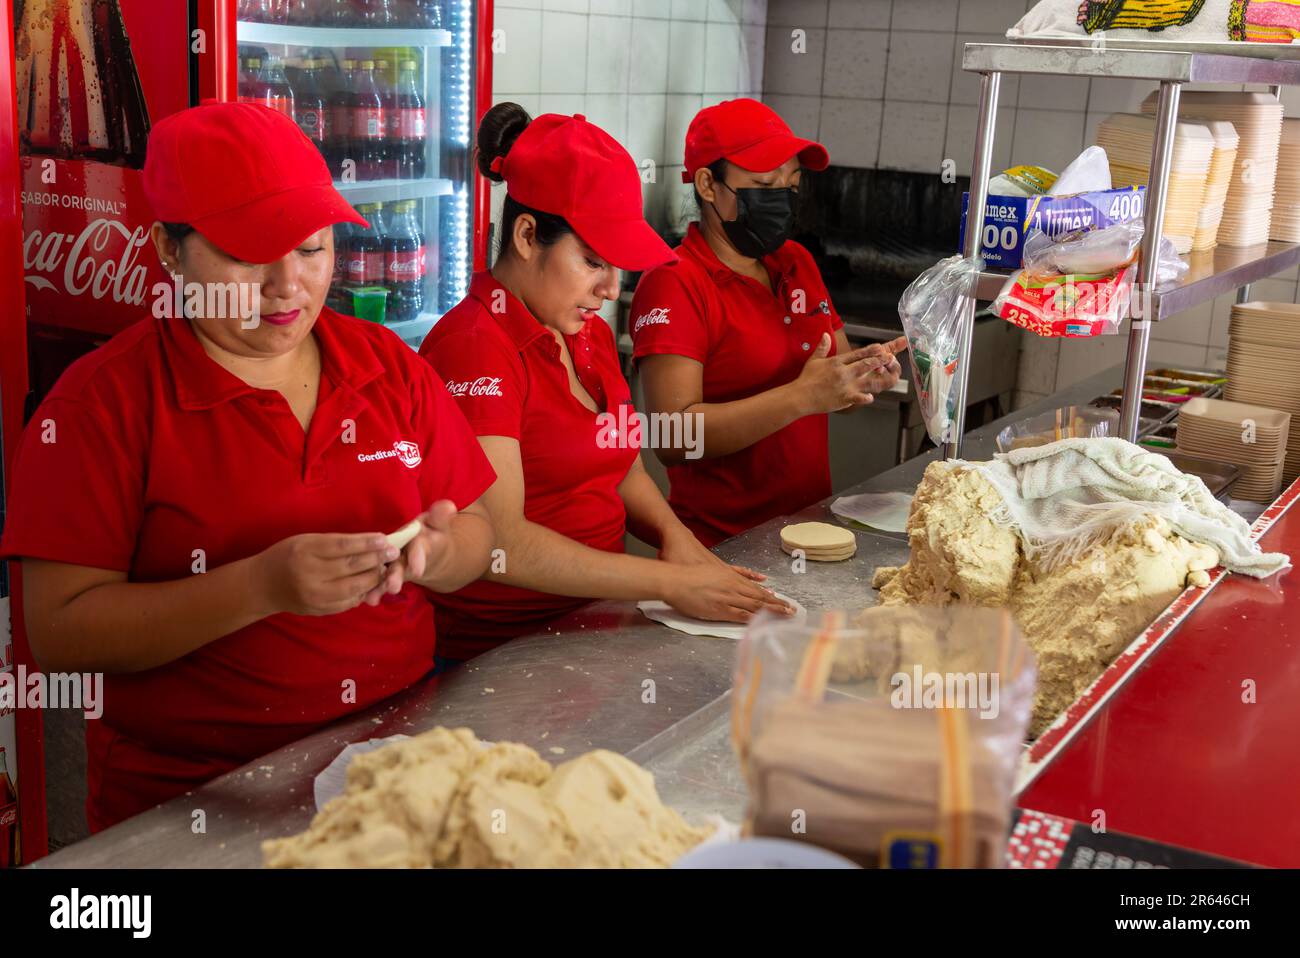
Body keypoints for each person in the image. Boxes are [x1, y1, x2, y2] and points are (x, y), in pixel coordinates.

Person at [0, 102, 497, 831]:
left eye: (311, 249)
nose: (286, 285)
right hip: (197, 802)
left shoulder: (387, 365)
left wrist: (442, 552)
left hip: (395, 772)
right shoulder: (101, 405)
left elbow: (479, 531)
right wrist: (259, 586)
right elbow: (61, 633)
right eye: (245, 253)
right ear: (169, 252)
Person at [420, 104, 791, 664]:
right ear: (526, 236)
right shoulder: (475, 348)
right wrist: (665, 584)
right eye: (594, 262)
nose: (611, 290)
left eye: (618, 267)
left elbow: (623, 467)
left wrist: (680, 546)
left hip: (591, 625)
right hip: (497, 653)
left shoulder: (581, 331)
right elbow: (503, 542)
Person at [629, 98, 907, 546]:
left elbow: (834, 385)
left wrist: (865, 375)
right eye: (764, 184)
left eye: (791, 184)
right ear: (707, 184)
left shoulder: (796, 262)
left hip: (808, 531)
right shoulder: (673, 283)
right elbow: (673, 438)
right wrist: (800, 397)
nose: (781, 198)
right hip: (721, 547)